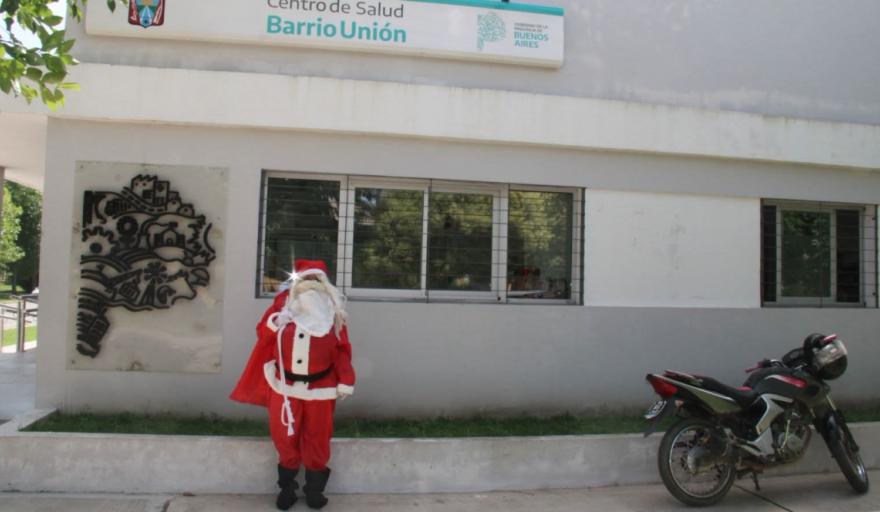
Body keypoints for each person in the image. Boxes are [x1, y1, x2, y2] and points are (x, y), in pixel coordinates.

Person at [231, 259, 355, 510]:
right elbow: (263, 333)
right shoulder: (283, 306)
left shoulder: (333, 314)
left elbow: (342, 350)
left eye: (316, 280)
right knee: (284, 437)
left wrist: (346, 379)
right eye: (306, 279)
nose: (311, 284)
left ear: (324, 283)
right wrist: (277, 321)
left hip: (321, 389)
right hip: (284, 388)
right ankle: (287, 488)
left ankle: (314, 490)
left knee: (318, 437)